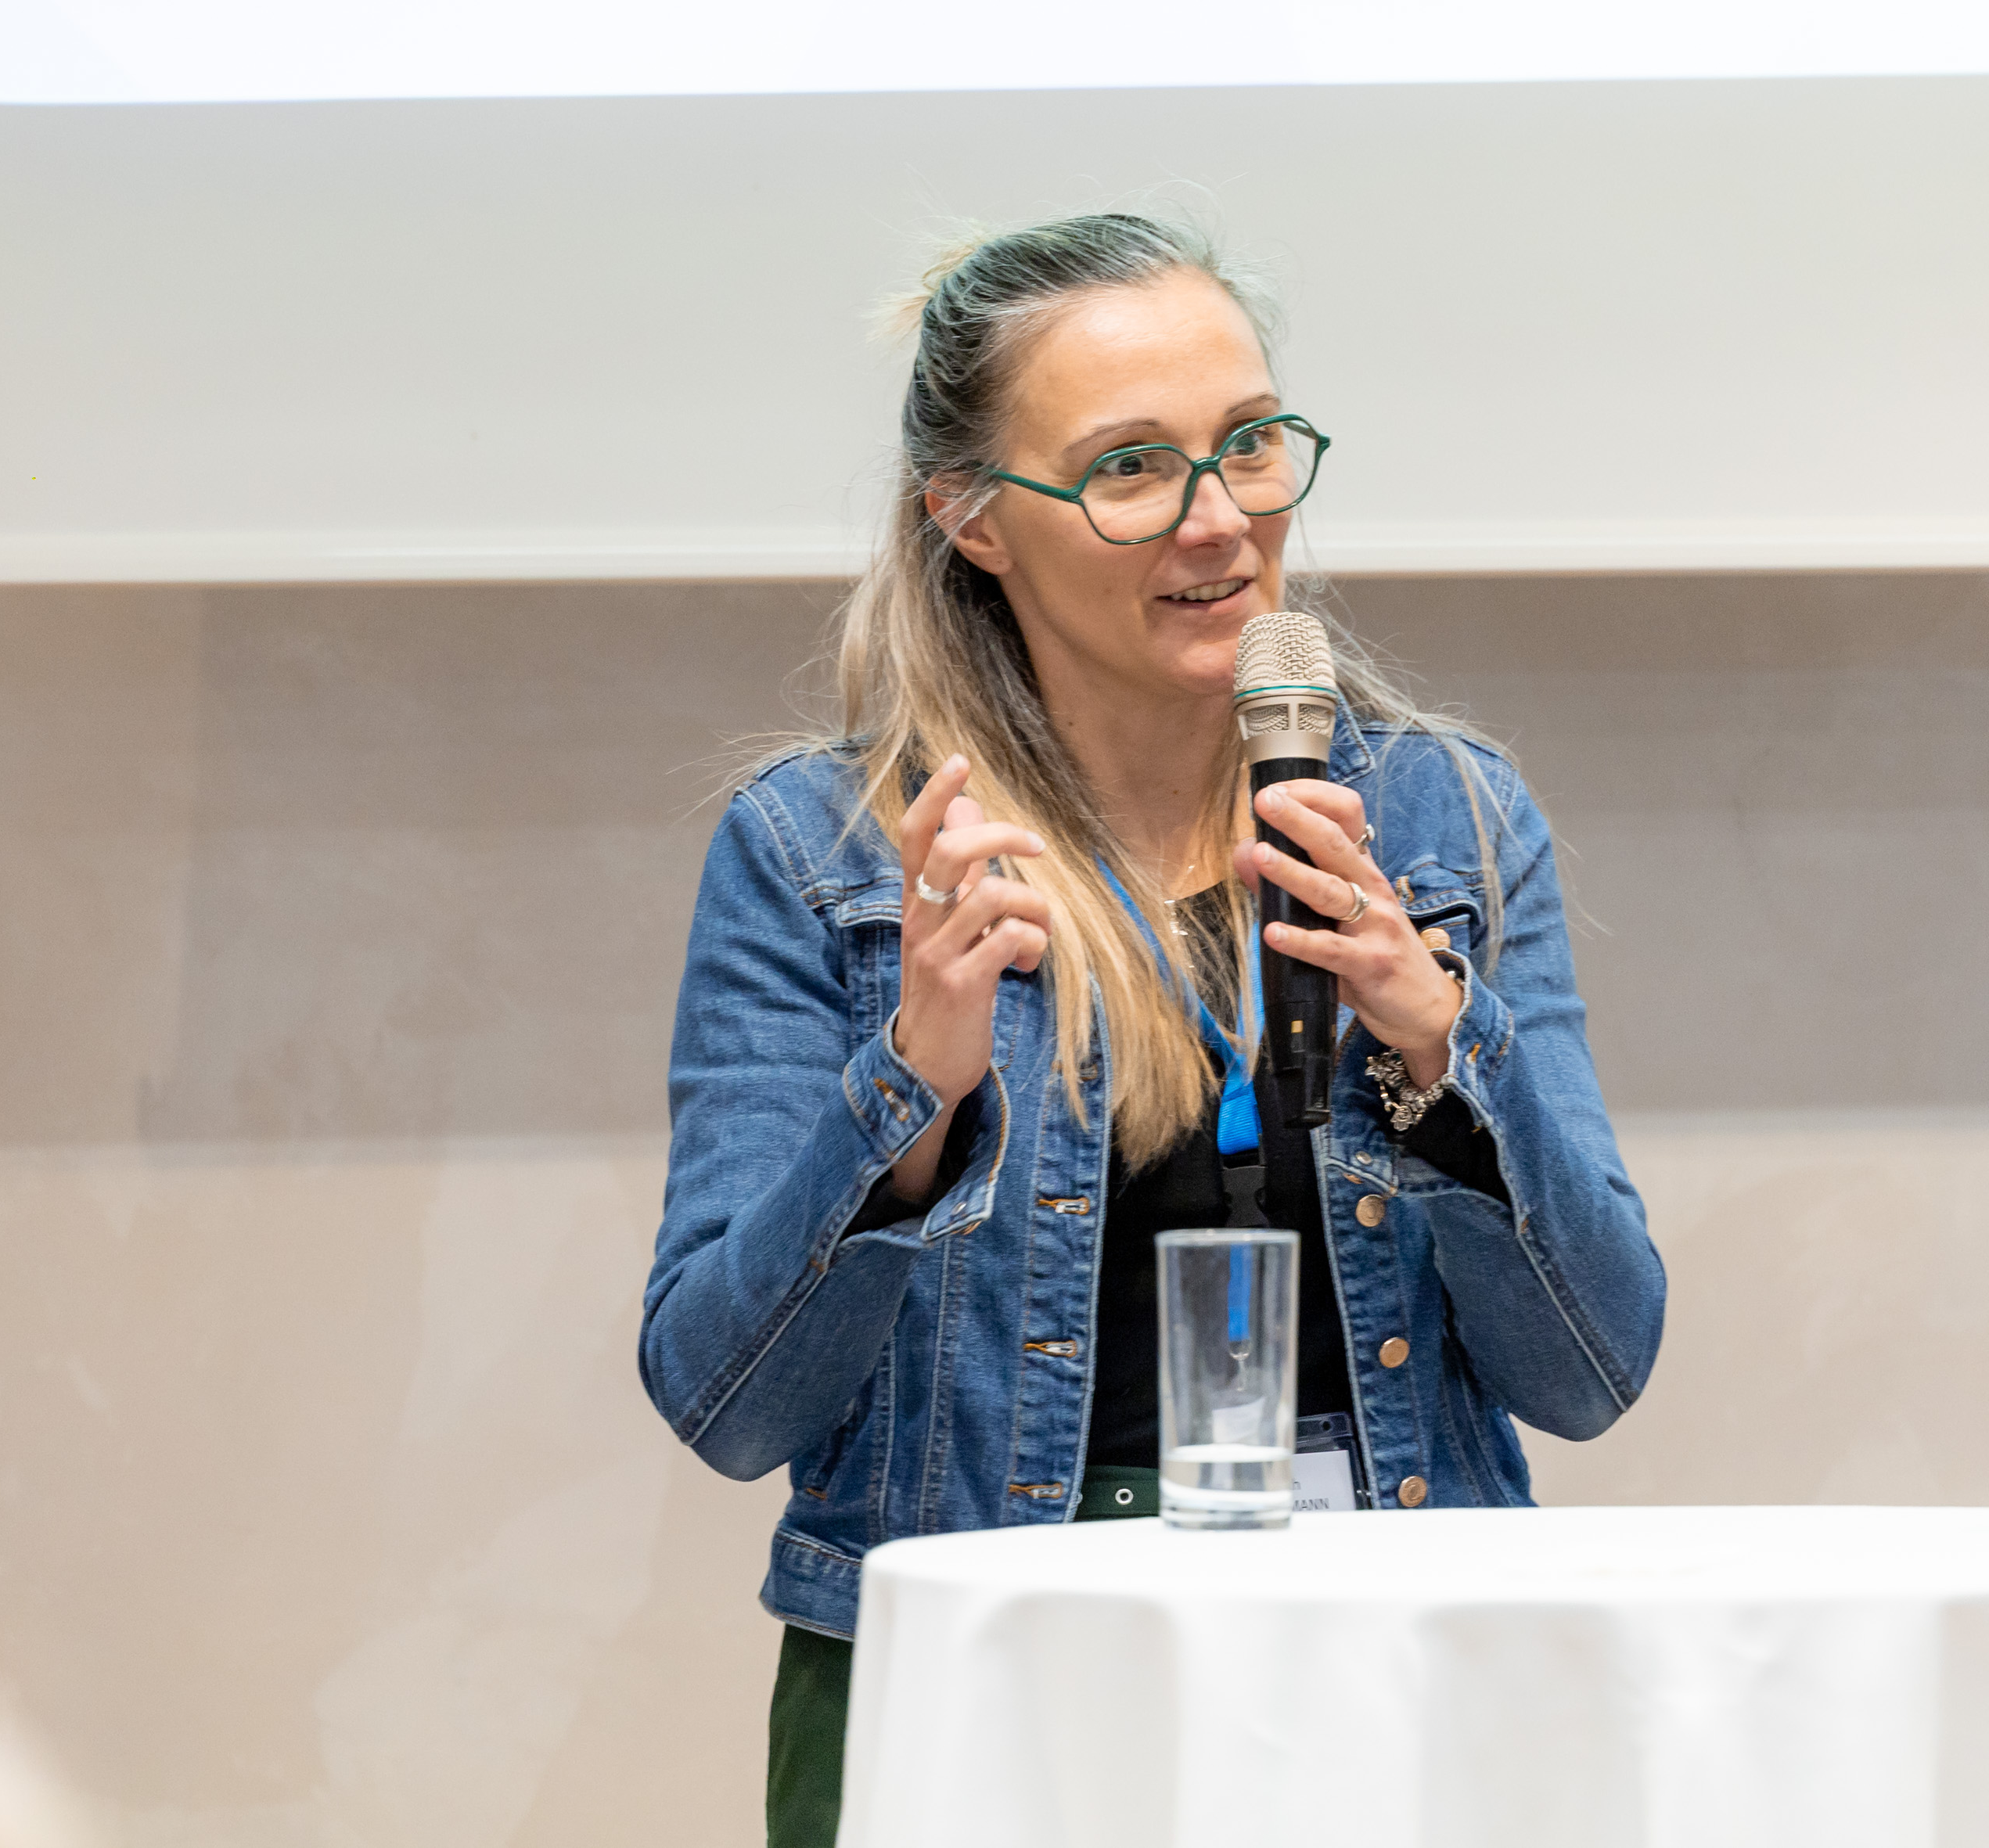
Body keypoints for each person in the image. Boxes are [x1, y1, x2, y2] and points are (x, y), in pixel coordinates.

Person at [637, 213, 1666, 1846]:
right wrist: (912, 1090)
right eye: (1129, 468)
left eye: (1250, 443)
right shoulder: (828, 851)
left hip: (1383, 1658)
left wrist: (1438, 1051)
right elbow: (726, 1401)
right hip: (982, 1667)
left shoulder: (1439, 818)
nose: (1221, 518)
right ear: (971, 517)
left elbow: (1594, 1366)